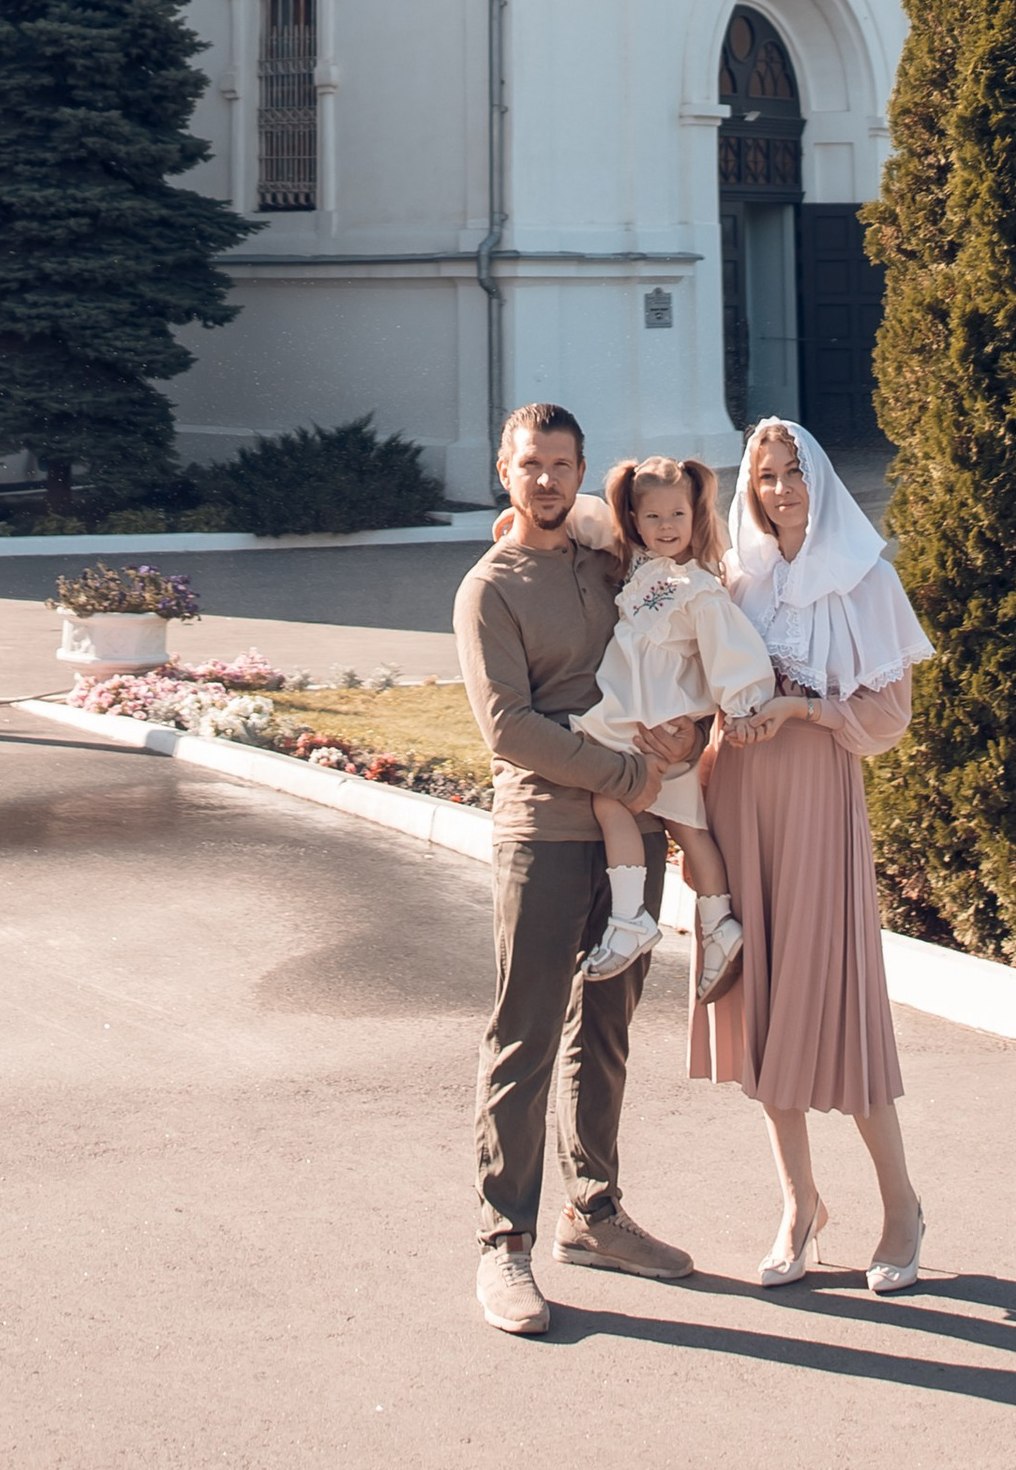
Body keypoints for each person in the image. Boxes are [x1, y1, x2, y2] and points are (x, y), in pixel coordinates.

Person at [454, 400, 702, 1338]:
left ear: (583, 471)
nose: (547, 478)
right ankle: (501, 1244)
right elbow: (509, 726)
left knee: (605, 1028)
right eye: (531, 463)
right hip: (545, 833)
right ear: (504, 471)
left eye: (562, 463)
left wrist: (690, 732)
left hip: (630, 834)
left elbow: (672, 651)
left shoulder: (610, 562)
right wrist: (632, 773)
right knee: (523, 1032)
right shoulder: (490, 587)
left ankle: (592, 1212)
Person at [688, 416, 935, 1296]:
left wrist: (800, 711)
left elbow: (888, 715)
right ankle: (800, 1205)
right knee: (759, 1002)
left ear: (819, 480)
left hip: (817, 802)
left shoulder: (866, 580)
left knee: (836, 1006)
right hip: (738, 797)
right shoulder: (735, 577)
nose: (781, 489)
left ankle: (901, 1205)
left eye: (794, 472)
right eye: (765, 475)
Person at [497, 455, 775, 995]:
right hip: (646, 712)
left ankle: (631, 919)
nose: (667, 527)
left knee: (612, 802)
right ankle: (719, 924)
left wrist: (744, 702)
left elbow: (731, 651)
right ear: (635, 519)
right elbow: (591, 518)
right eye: (653, 518)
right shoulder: (634, 563)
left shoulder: (699, 588)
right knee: (688, 826)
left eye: (678, 515)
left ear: (697, 517)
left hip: (646, 717)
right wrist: (518, 521)